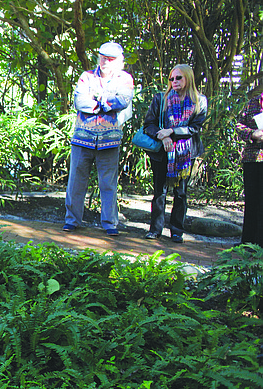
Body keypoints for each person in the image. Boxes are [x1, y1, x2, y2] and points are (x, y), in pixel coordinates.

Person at [63, 42, 134, 235]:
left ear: (120, 61)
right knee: (76, 180)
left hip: (109, 140)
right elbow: (80, 101)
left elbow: (124, 100)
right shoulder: (86, 77)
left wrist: (98, 99)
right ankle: (72, 220)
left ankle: (110, 223)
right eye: (103, 57)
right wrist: (107, 103)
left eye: (111, 59)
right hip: (82, 138)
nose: (106, 62)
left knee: (108, 183)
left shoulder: (125, 79)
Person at [141, 64, 207, 243]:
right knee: (159, 191)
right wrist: (162, 137)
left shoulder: (199, 101)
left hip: (186, 153)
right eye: (171, 78)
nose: (174, 81)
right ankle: (155, 229)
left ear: (188, 78)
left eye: (179, 78)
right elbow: (149, 125)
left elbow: (195, 128)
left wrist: (171, 131)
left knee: (181, 193)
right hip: (162, 151)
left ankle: (177, 230)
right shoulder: (160, 99)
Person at [236, 89, 263, 247]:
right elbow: (239, 125)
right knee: (252, 200)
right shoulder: (253, 102)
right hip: (252, 158)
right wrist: (252, 134)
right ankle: (247, 243)